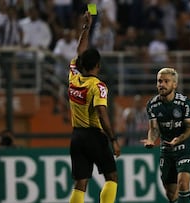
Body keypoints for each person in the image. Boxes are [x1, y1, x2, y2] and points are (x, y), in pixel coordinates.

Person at [67, 11, 120, 203]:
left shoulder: (74, 77)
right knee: (112, 177)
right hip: (94, 135)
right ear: (97, 65)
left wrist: (86, 27)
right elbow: (101, 112)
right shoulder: (98, 86)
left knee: (81, 183)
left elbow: (79, 52)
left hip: (76, 136)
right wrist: (113, 138)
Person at [141, 67, 190, 203]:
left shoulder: (185, 103)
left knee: (183, 183)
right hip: (166, 150)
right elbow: (154, 129)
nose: (162, 84)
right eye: (159, 81)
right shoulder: (152, 105)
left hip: (184, 148)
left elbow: (189, 127)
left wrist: (179, 139)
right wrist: (151, 140)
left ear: (174, 84)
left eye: (166, 81)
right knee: (171, 194)